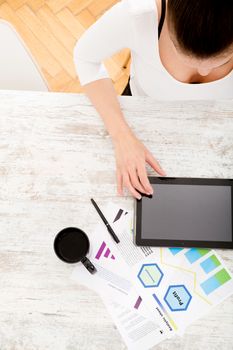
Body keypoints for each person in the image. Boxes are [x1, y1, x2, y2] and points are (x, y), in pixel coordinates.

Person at [73, 0, 233, 200]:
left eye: (224, 60)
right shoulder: (137, 14)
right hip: (139, 125)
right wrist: (122, 137)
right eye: (182, 54)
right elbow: (85, 58)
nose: (204, 71)